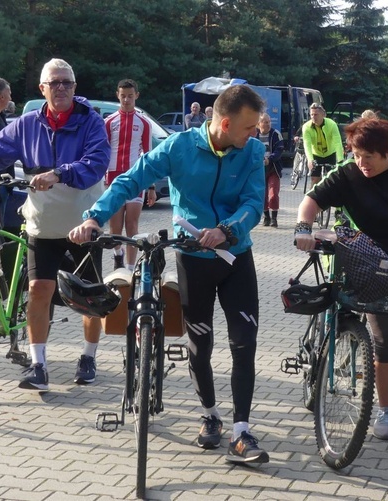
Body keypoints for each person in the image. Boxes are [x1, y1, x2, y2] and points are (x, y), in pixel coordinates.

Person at [69, 84, 270, 464]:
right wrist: (94, 217)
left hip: (236, 259)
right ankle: (210, 416)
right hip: (193, 259)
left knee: (244, 343)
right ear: (224, 123)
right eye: (247, 128)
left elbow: (253, 203)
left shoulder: (253, 151)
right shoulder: (179, 147)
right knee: (201, 344)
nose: (253, 133)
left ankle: (242, 432)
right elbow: (131, 179)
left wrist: (227, 229)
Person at [0, 58, 111, 392]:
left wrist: (60, 173)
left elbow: (97, 163)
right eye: (53, 83)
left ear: (74, 87)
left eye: (66, 83)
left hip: (83, 222)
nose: (60, 89)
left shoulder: (91, 122)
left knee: (88, 297)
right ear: (42, 89)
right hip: (42, 224)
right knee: (39, 290)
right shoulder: (26, 124)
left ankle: (88, 355)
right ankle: (38, 364)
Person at [294, 118, 388, 442]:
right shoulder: (348, 172)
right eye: (355, 155)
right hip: (374, 263)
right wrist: (302, 228)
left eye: (368, 157)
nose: (361, 163)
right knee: (385, 339)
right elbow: (312, 200)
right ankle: (386, 410)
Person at [104, 79, 156, 270]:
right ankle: (118, 254)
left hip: (135, 178)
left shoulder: (144, 122)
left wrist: (151, 187)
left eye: (130, 96)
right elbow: (103, 152)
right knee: (115, 227)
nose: (126, 100)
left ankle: (131, 268)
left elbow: (148, 155)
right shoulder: (109, 122)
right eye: (123, 96)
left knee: (132, 224)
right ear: (118, 95)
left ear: (137, 96)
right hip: (113, 178)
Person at [301, 102, 344, 186]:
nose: (313, 117)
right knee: (315, 180)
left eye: (316, 115)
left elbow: (338, 143)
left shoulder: (332, 124)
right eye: (311, 115)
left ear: (323, 115)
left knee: (333, 179)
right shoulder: (306, 127)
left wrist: (340, 161)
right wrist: (310, 159)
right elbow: (307, 145)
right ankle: (313, 197)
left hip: (330, 153)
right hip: (316, 154)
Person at [255, 113, 284, 227]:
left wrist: (269, 159)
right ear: (259, 124)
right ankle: (266, 217)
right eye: (265, 122)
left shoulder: (276, 134)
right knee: (262, 194)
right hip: (259, 169)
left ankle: (274, 218)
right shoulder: (254, 135)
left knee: (273, 194)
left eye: (269, 122)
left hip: (273, 168)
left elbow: (279, 150)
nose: (267, 124)